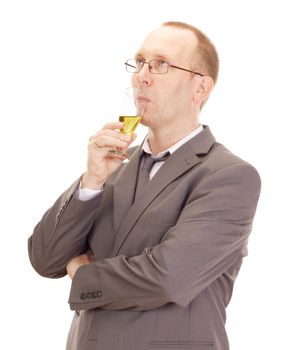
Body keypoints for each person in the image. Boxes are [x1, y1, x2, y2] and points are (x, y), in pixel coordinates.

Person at [28, 21, 261, 350]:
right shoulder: (112, 166)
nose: (142, 76)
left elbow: (166, 277)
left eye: (161, 64)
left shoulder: (229, 176)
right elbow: (45, 258)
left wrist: (82, 274)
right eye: (139, 62)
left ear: (201, 89)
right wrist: (91, 182)